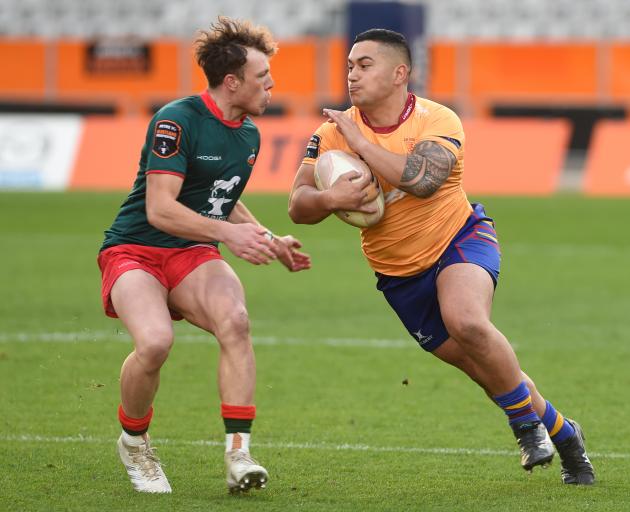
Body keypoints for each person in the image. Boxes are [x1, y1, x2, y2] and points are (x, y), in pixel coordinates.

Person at [288, 28, 594, 485]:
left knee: (467, 321)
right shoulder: (331, 133)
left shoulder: (437, 119)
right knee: (483, 368)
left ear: (400, 73)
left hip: (460, 239)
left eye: (364, 65)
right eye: (350, 65)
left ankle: (525, 427)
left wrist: (362, 143)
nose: (352, 74)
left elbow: (422, 181)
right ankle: (564, 434)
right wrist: (330, 199)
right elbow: (297, 205)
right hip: (399, 275)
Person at [97, 16, 311, 494]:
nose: (271, 84)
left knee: (235, 321)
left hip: (191, 250)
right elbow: (160, 209)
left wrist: (268, 238)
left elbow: (223, 198)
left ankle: (239, 454)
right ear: (231, 81)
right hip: (136, 248)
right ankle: (134, 442)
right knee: (154, 344)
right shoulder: (177, 119)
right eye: (262, 77)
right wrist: (230, 238)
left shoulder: (248, 135)